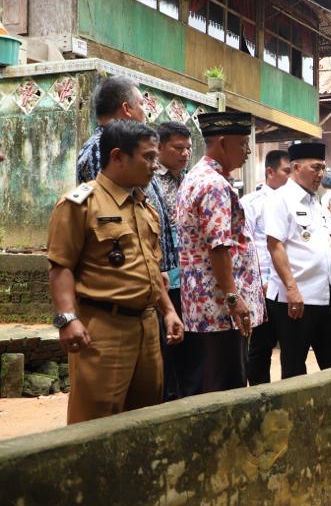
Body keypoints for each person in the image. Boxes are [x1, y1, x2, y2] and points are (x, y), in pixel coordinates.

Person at [47, 120, 184, 424]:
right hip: (103, 329)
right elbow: (61, 266)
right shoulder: (80, 203)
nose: (154, 166)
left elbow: (152, 268)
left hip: (147, 328)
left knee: (144, 419)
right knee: (95, 421)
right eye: (148, 157)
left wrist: (168, 311)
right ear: (118, 156)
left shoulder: (144, 206)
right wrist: (67, 319)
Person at [176, 112, 265, 393]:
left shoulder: (195, 177)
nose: (248, 152)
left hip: (201, 308)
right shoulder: (214, 184)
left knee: (205, 382)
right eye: (243, 144)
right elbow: (219, 245)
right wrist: (232, 298)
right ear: (223, 143)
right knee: (226, 387)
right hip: (220, 312)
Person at [264, 141, 331, 378]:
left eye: (323, 168)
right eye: (315, 167)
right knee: (294, 367)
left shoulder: (317, 203)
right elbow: (275, 245)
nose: (321, 174)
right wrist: (292, 288)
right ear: (296, 167)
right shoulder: (280, 199)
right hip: (294, 299)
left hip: (324, 294)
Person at [149, 121, 193, 399]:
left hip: (189, 278)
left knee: (187, 347)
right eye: (178, 148)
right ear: (160, 147)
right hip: (163, 277)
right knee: (167, 345)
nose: (185, 154)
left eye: (188, 148)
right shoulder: (150, 181)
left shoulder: (188, 179)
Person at [240, 150, 291, 385]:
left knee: (292, 346)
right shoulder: (251, 203)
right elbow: (247, 246)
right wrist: (260, 281)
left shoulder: (295, 201)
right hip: (263, 285)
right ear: (270, 172)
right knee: (261, 346)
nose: (290, 177)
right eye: (286, 171)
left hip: (290, 285)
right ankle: (261, 397)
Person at [76, 76, 147, 184]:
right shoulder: (99, 149)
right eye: (141, 104)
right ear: (126, 109)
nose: (145, 112)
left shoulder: (123, 145)